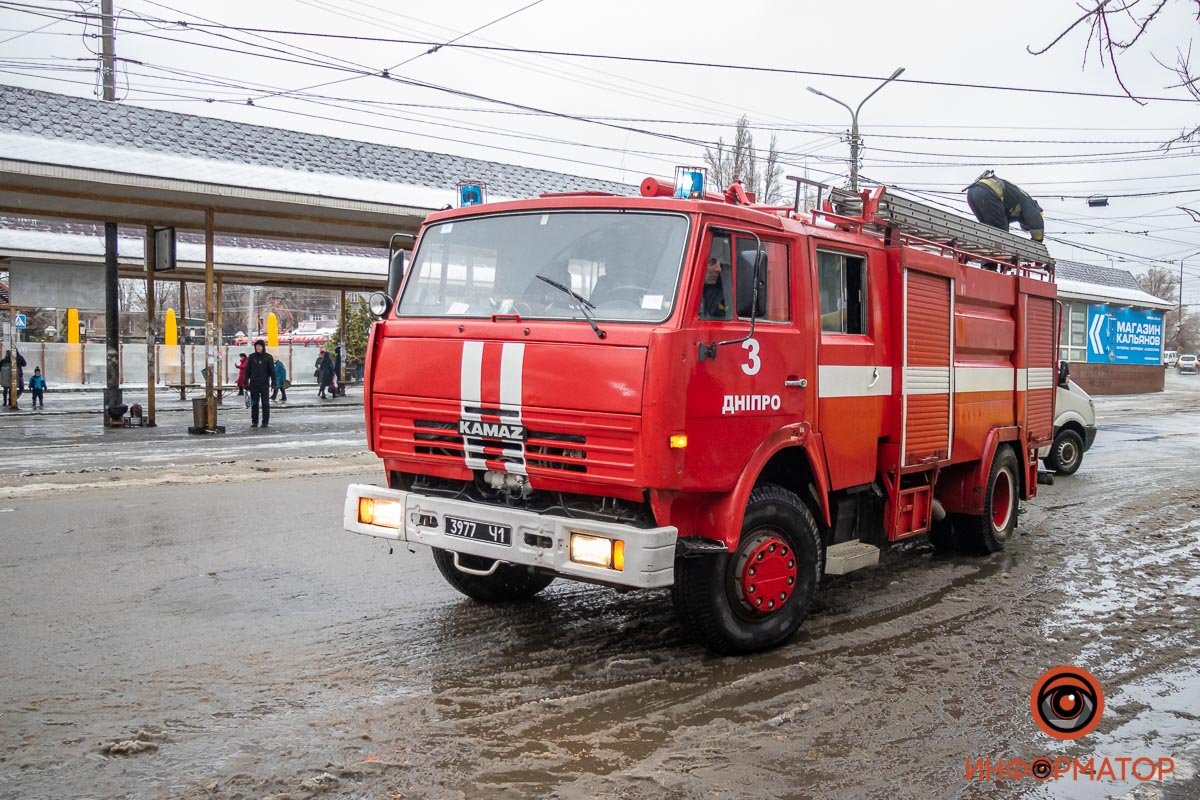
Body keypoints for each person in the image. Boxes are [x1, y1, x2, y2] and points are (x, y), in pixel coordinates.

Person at [965, 170, 1045, 242]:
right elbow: (1036, 222)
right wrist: (1037, 242)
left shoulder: (1014, 204)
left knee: (988, 230)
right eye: (1027, 226)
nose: (1024, 225)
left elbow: (1001, 219)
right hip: (988, 192)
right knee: (1001, 236)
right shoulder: (1031, 205)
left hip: (972, 193)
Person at [244, 339, 275, 429]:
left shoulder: (268, 357)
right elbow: (247, 370)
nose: (258, 348)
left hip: (264, 384)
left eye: (260, 346)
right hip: (254, 384)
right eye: (257, 346)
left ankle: (265, 422)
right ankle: (255, 421)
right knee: (254, 404)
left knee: (265, 403)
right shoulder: (251, 357)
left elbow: (272, 371)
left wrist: (274, 382)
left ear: (263, 347)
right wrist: (245, 381)